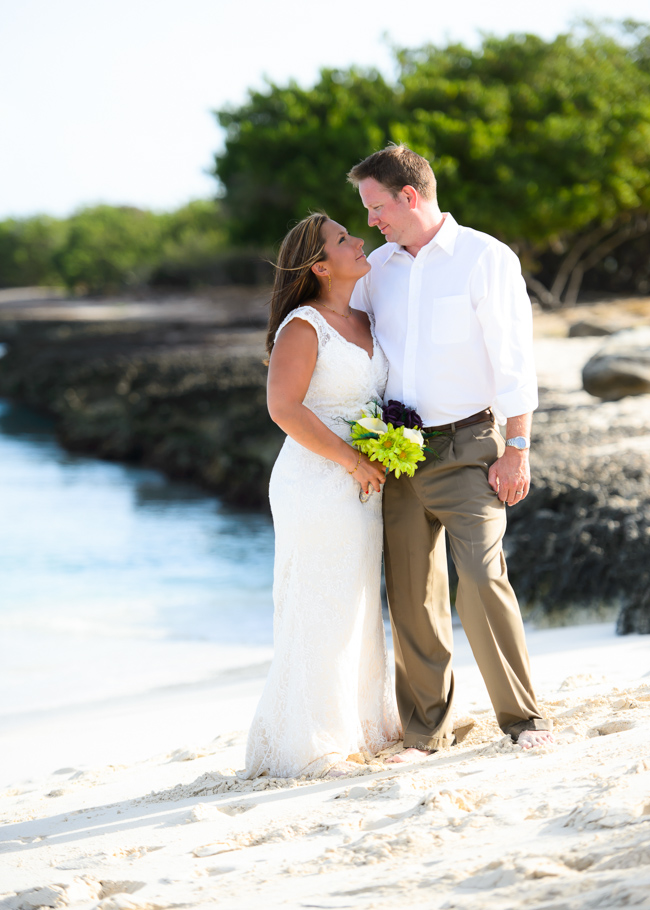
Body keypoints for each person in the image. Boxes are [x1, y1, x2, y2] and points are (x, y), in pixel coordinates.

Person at [347, 145, 554, 761]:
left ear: (409, 196)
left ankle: (522, 720)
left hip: (473, 447)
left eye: (377, 207)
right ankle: (425, 733)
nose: (371, 222)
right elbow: (354, 349)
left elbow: (516, 365)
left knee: (483, 580)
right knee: (412, 594)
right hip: (398, 453)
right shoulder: (376, 270)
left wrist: (516, 449)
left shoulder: (485, 258)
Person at [244, 212, 401, 779]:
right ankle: (316, 744)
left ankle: (361, 726)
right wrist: (354, 459)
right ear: (320, 265)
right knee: (322, 601)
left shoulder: (364, 316)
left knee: (358, 600)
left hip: (363, 479)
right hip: (318, 480)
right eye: (343, 239)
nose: (359, 241)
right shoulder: (303, 326)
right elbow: (284, 408)